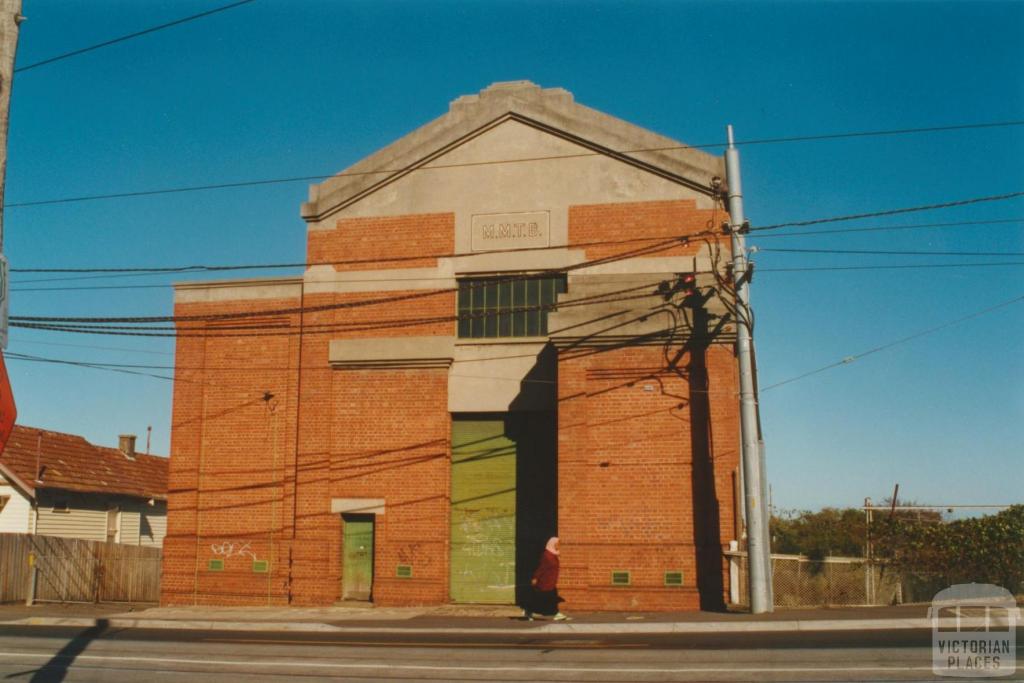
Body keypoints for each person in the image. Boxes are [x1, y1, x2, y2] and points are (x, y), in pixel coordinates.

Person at [524, 536, 569, 621]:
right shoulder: (547, 555)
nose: (558, 546)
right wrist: (535, 577)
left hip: (551, 581)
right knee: (547, 598)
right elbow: (541, 567)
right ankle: (555, 613)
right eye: (557, 544)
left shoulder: (553, 554)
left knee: (544, 599)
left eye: (559, 544)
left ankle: (529, 610)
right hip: (546, 581)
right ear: (552, 544)